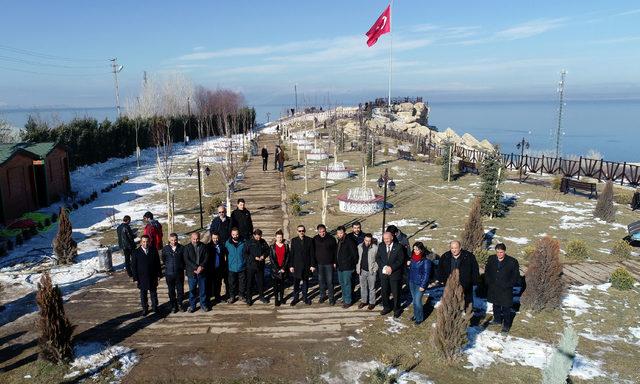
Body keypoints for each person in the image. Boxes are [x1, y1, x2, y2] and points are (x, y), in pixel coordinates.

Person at [485, 243, 520, 333]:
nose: (499, 254)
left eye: (501, 252)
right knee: (495, 305)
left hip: (505, 289)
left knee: (506, 308)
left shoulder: (512, 261)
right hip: (494, 287)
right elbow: (487, 270)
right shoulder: (491, 258)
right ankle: (497, 320)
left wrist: (508, 285)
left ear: (504, 251)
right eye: (497, 252)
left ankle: (506, 325)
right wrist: (489, 281)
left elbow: (515, 276)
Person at [437, 240, 480, 309]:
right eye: (452, 248)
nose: (454, 250)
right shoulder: (445, 256)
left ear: (460, 248)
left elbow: (475, 270)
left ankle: (467, 317)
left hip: (465, 285)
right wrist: (441, 279)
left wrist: (474, 281)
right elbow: (440, 269)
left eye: (456, 248)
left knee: (467, 304)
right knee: (451, 304)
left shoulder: (469, 256)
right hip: (450, 285)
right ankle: (453, 318)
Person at [376, 231, 405, 318]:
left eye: (387, 238)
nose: (386, 240)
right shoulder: (381, 246)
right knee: (384, 292)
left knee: (396, 293)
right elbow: (378, 258)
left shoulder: (399, 246)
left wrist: (391, 268)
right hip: (384, 274)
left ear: (392, 237)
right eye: (384, 239)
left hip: (395, 274)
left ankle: (397, 309)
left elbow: (400, 260)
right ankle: (386, 307)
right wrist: (384, 267)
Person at [131, 235, 162, 316]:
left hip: (152, 276)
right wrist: (135, 278)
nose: (146, 243)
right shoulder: (136, 252)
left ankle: (155, 307)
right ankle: (145, 308)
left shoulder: (153, 250)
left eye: (147, 241)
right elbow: (133, 266)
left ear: (149, 242)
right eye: (144, 242)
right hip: (142, 277)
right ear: (141, 242)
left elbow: (157, 263)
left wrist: (159, 274)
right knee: (143, 294)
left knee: (153, 293)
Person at [289, 225, 316, 306]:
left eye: (303, 231)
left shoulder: (309, 240)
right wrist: (291, 266)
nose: (301, 232)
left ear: (305, 231)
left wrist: (312, 265)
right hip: (296, 266)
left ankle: (305, 298)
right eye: (300, 231)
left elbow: (312, 254)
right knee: (296, 283)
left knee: (305, 283)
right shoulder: (294, 240)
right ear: (297, 231)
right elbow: (292, 254)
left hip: (306, 265)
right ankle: (296, 298)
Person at [184, 232, 210, 312]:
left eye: (197, 238)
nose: (196, 240)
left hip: (202, 271)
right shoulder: (187, 247)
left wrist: (201, 266)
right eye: (194, 239)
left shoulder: (204, 246)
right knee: (192, 291)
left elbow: (206, 257)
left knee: (203, 290)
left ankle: (203, 305)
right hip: (192, 272)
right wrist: (196, 267)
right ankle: (192, 306)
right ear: (191, 238)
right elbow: (186, 259)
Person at [244, 229, 270, 305]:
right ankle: (249, 298)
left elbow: (267, 250)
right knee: (250, 283)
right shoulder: (249, 242)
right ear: (254, 235)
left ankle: (261, 296)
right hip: (251, 266)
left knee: (261, 282)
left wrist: (263, 256)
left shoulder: (263, 241)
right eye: (257, 236)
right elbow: (245, 254)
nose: (259, 238)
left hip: (260, 266)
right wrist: (253, 258)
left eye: (260, 236)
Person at [408, 242, 432, 325]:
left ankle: (420, 318)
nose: (415, 251)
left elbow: (426, 274)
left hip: (420, 284)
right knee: (414, 300)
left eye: (417, 250)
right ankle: (415, 315)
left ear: (421, 250)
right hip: (412, 282)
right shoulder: (412, 258)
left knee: (418, 301)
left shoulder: (426, 261)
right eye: (414, 249)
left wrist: (423, 285)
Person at [313, 224, 337, 305]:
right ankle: (322, 296)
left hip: (329, 264)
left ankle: (331, 298)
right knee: (321, 281)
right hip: (319, 264)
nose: (322, 233)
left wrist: (334, 262)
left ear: (325, 231)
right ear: (318, 232)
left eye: (323, 232)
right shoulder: (315, 239)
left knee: (330, 281)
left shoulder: (331, 239)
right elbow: (312, 252)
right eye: (320, 232)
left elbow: (335, 251)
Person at [335, 226, 358, 308]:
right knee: (342, 283)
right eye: (338, 233)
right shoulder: (339, 241)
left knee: (347, 284)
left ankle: (348, 301)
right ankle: (345, 298)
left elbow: (355, 254)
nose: (339, 235)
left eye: (341, 233)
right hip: (340, 267)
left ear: (344, 232)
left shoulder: (349, 241)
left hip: (347, 267)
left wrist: (351, 264)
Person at [162, 233, 185, 313]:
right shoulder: (165, 249)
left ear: (177, 239)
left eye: (175, 240)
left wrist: (181, 267)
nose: (174, 242)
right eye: (172, 240)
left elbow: (184, 260)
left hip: (179, 273)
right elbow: (164, 259)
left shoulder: (182, 248)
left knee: (180, 290)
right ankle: (173, 306)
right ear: (169, 240)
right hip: (169, 274)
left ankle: (180, 304)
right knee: (171, 291)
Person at [356, 233, 378, 310]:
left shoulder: (375, 248)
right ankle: (364, 301)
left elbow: (378, 259)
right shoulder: (359, 247)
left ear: (371, 241)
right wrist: (358, 267)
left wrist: (375, 268)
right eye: (366, 240)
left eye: (369, 241)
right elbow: (358, 258)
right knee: (363, 287)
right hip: (362, 270)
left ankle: (372, 302)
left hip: (371, 271)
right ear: (364, 240)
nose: (367, 242)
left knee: (372, 288)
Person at [225, 228, 247, 303]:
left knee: (242, 282)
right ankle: (232, 296)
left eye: (237, 234)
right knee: (232, 283)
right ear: (231, 234)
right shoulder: (227, 243)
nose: (235, 236)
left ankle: (241, 295)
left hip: (242, 266)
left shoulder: (243, 242)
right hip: (231, 267)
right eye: (233, 234)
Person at [269, 230, 290, 306]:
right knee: (275, 286)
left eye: (281, 237)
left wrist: (284, 268)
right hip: (275, 269)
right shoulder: (272, 247)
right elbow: (271, 259)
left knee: (282, 285)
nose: (279, 238)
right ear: (275, 237)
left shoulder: (286, 246)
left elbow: (288, 257)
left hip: (283, 268)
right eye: (278, 237)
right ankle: (276, 299)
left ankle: (281, 298)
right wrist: (277, 269)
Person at [209, 232, 228, 304]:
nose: (215, 240)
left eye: (216, 238)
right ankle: (210, 298)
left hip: (219, 268)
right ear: (211, 238)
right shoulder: (208, 247)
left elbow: (225, 256)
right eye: (214, 238)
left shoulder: (222, 246)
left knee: (218, 283)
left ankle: (217, 297)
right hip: (211, 269)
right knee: (210, 284)